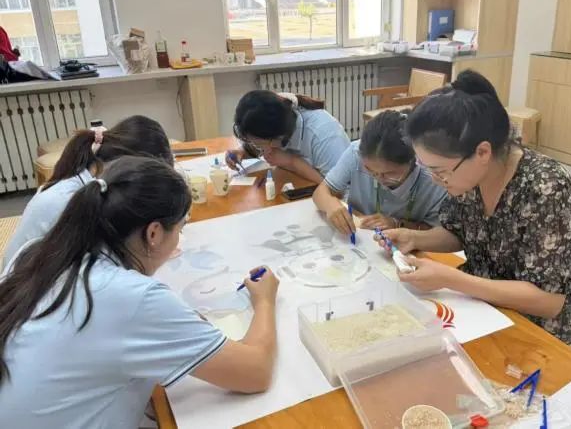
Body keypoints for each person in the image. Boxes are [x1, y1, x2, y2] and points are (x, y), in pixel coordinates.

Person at [0, 156, 279, 428]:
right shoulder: (131, 297)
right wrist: (264, 300)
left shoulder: (38, 252)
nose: (179, 239)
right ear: (153, 233)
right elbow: (256, 372)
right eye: (180, 229)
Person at [375, 70, 571, 349]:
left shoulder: (546, 188)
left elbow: (550, 301)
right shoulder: (469, 177)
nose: (435, 179)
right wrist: (413, 238)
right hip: (485, 309)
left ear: (482, 152)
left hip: (544, 332)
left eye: (440, 171)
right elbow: (460, 232)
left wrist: (451, 279)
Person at [3, 115, 174, 267]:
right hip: (29, 287)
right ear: (127, 167)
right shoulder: (71, 200)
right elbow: (106, 264)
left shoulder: (86, 178)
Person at [313, 110, 447, 236]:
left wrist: (398, 224)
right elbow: (320, 192)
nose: (379, 179)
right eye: (369, 170)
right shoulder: (356, 153)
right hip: (360, 236)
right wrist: (330, 204)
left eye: (389, 174)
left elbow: (442, 234)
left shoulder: (435, 179)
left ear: (413, 160)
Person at [226, 90, 350, 183]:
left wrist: (292, 162)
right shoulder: (273, 116)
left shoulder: (324, 135)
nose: (261, 150)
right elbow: (258, 143)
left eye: (259, 145)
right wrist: (242, 152)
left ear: (279, 136)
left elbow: (338, 188)